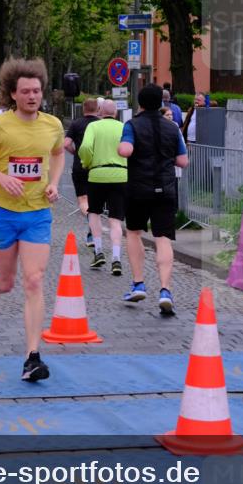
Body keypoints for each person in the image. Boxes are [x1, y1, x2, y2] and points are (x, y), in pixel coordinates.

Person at [0, 58, 64, 383]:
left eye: (37, 91)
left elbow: (58, 153)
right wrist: (0, 177)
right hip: (3, 213)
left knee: (34, 280)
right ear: (13, 93)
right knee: (7, 282)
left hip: (37, 213)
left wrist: (53, 183)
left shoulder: (52, 124)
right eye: (26, 91)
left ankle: (32, 357)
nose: (33, 96)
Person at [118, 83, 189, 314]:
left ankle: (138, 283)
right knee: (163, 238)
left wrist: (124, 146)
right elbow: (183, 161)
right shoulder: (172, 128)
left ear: (139, 103)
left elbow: (126, 151)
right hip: (166, 189)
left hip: (138, 188)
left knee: (134, 232)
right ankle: (165, 290)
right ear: (162, 103)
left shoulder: (132, 125)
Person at [78, 99, 127, 275]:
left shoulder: (94, 127)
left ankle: (98, 251)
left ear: (100, 111)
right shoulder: (124, 127)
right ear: (115, 113)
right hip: (121, 175)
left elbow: (85, 147)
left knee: (94, 212)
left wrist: (86, 162)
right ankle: (116, 258)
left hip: (97, 175)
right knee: (116, 219)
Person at [64, 97, 100, 247]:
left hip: (80, 166)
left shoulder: (76, 123)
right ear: (98, 109)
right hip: (98, 166)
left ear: (83, 108)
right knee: (96, 200)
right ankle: (93, 229)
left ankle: (90, 222)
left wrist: (75, 152)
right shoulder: (100, 124)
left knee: (83, 200)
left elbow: (65, 144)